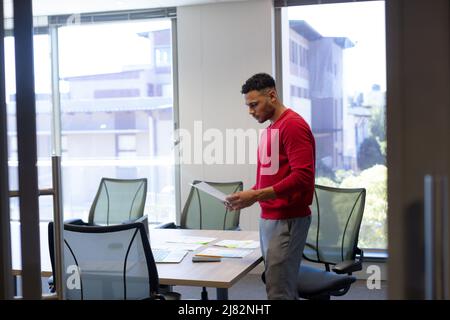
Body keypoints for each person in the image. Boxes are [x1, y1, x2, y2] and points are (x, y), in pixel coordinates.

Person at [225, 73, 315, 300]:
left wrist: (256, 195)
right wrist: (247, 197)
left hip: (287, 219)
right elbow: (271, 178)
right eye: (248, 105)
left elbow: (303, 176)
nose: (250, 111)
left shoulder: (292, 126)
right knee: (277, 286)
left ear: (272, 96)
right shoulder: (271, 130)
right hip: (270, 217)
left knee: (279, 292)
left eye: (254, 104)